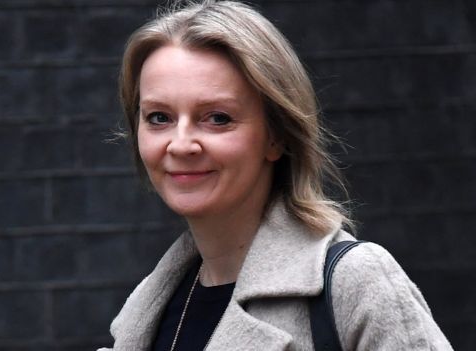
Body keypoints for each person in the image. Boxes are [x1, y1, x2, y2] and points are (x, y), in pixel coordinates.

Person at [100, 1, 453, 350]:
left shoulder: (356, 282)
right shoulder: (149, 308)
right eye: (159, 117)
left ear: (277, 136)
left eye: (218, 118)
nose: (180, 145)